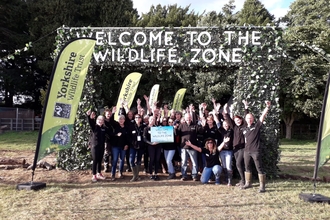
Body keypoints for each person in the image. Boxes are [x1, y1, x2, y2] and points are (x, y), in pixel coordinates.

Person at [241, 101, 271, 193]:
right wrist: (246, 107)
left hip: (255, 151)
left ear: (253, 119)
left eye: (251, 118)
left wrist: (267, 107)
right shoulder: (245, 128)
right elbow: (246, 114)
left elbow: (262, 116)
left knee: (259, 168)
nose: (249, 119)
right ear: (245, 119)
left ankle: (262, 186)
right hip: (246, 151)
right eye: (248, 118)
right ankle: (248, 183)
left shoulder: (256, 126)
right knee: (247, 167)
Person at [222, 101, 249, 187]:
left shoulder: (244, 126)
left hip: (242, 148)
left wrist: (246, 107)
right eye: (236, 120)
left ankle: (244, 180)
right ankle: (242, 180)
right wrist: (225, 111)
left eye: (239, 120)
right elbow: (229, 119)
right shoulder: (234, 127)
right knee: (239, 164)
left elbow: (246, 118)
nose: (237, 121)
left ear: (241, 120)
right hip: (235, 149)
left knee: (238, 163)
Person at [175, 112, 203, 181]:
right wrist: (175, 128)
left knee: (194, 162)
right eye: (187, 118)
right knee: (184, 162)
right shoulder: (181, 125)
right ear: (185, 118)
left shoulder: (195, 125)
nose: (189, 119)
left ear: (191, 118)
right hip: (184, 147)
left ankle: (194, 176)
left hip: (193, 147)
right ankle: (184, 175)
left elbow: (201, 131)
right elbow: (177, 133)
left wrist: (202, 125)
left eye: (190, 117)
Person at [87, 109, 113, 182]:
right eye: (99, 120)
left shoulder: (104, 128)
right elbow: (90, 122)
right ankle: (94, 175)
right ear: (97, 120)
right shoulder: (94, 127)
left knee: (99, 160)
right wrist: (88, 116)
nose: (100, 121)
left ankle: (99, 173)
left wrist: (117, 134)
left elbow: (110, 133)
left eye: (102, 120)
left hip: (101, 146)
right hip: (94, 146)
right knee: (95, 160)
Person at [109, 107, 130, 181]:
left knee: (122, 160)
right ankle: (113, 174)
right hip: (115, 146)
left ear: (124, 120)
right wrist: (113, 113)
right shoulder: (116, 125)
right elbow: (111, 121)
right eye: (120, 119)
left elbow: (128, 137)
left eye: (122, 119)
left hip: (123, 146)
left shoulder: (126, 127)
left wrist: (127, 144)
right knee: (114, 160)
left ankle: (120, 172)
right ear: (118, 120)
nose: (121, 120)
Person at [143, 116, 161, 180]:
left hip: (158, 146)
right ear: (148, 120)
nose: (152, 120)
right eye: (151, 119)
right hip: (150, 146)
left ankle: (156, 174)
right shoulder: (146, 129)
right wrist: (151, 143)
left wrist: (161, 130)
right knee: (151, 160)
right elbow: (144, 139)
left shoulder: (157, 128)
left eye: (153, 119)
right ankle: (151, 174)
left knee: (157, 160)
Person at [128, 113, 146, 181]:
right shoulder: (131, 126)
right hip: (133, 146)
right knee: (131, 160)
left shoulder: (143, 126)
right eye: (136, 117)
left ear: (141, 119)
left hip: (141, 146)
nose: (137, 119)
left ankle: (136, 176)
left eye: (139, 117)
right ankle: (134, 175)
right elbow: (128, 136)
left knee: (139, 160)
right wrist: (132, 143)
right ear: (134, 119)